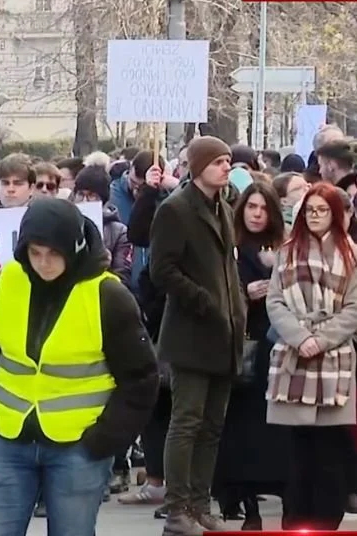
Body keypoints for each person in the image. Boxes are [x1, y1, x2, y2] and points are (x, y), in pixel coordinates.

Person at [0, 197, 158, 536]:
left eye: (53, 254)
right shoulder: (6, 282)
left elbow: (141, 379)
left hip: (79, 446)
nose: (44, 263)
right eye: (35, 253)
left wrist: (104, 441)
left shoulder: (108, 295)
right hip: (8, 438)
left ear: (75, 248)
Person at [149, 136, 247, 535]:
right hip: (192, 332)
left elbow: (227, 264)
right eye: (219, 161)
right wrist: (205, 301)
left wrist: (236, 305)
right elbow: (163, 270)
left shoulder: (223, 206)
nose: (226, 167)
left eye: (228, 160)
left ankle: (200, 503)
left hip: (225, 331)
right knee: (186, 421)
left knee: (212, 425)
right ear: (198, 165)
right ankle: (177, 510)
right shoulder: (176, 209)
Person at [266, 182, 357, 531]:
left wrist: (322, 339)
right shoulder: (288, 251)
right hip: (293, 358)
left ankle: (325, 522)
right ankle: (296, 521)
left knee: (330, 452)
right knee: (298, 451)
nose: (315, 216)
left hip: (335, 361)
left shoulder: (351, 254)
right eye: (309, 210)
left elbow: (352, 308)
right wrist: (300, 336)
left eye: (322, 210)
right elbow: (276, 300)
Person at [212, 181, 289, 530]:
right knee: (242, 431)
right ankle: (245, 505)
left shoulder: (284, 249)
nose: (257, 215)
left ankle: (285, 496)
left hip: (279, 347)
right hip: (244, 348)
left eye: (263, 208)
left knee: (278, 431)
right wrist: (244, 294)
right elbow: (217, 294)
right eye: (251, 208)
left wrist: (276, 277)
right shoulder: (232, 248)